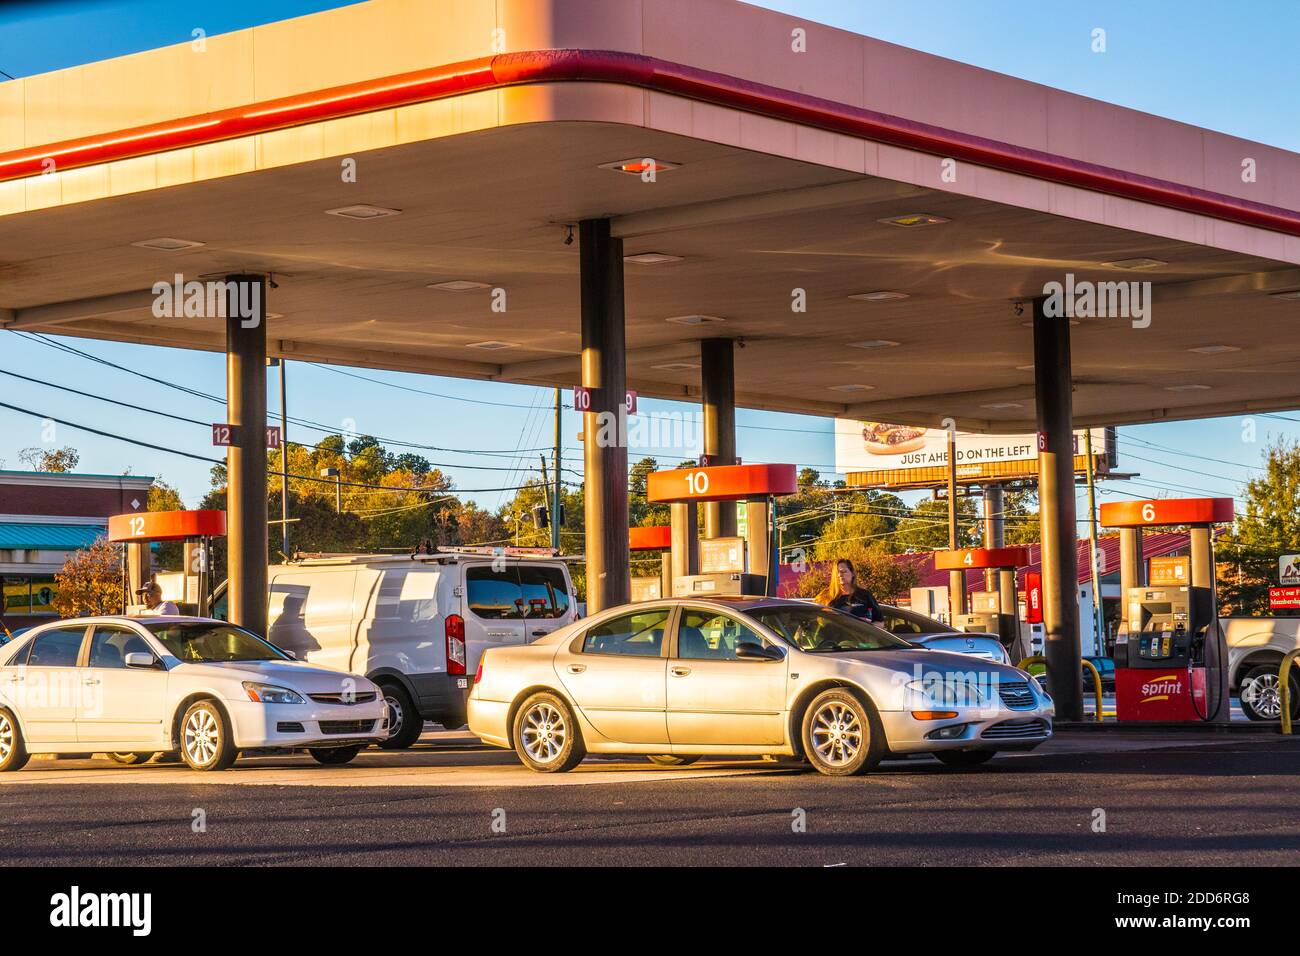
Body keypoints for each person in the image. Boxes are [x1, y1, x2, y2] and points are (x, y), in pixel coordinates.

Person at [814, 558, 883, 623]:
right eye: (838, 572)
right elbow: (814, 618)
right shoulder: (825, 596)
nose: (840, 575)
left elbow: (880, 622)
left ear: (852, 573)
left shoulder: (864, 595)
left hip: (857, 635)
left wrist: (864, 631)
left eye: (844, 572)